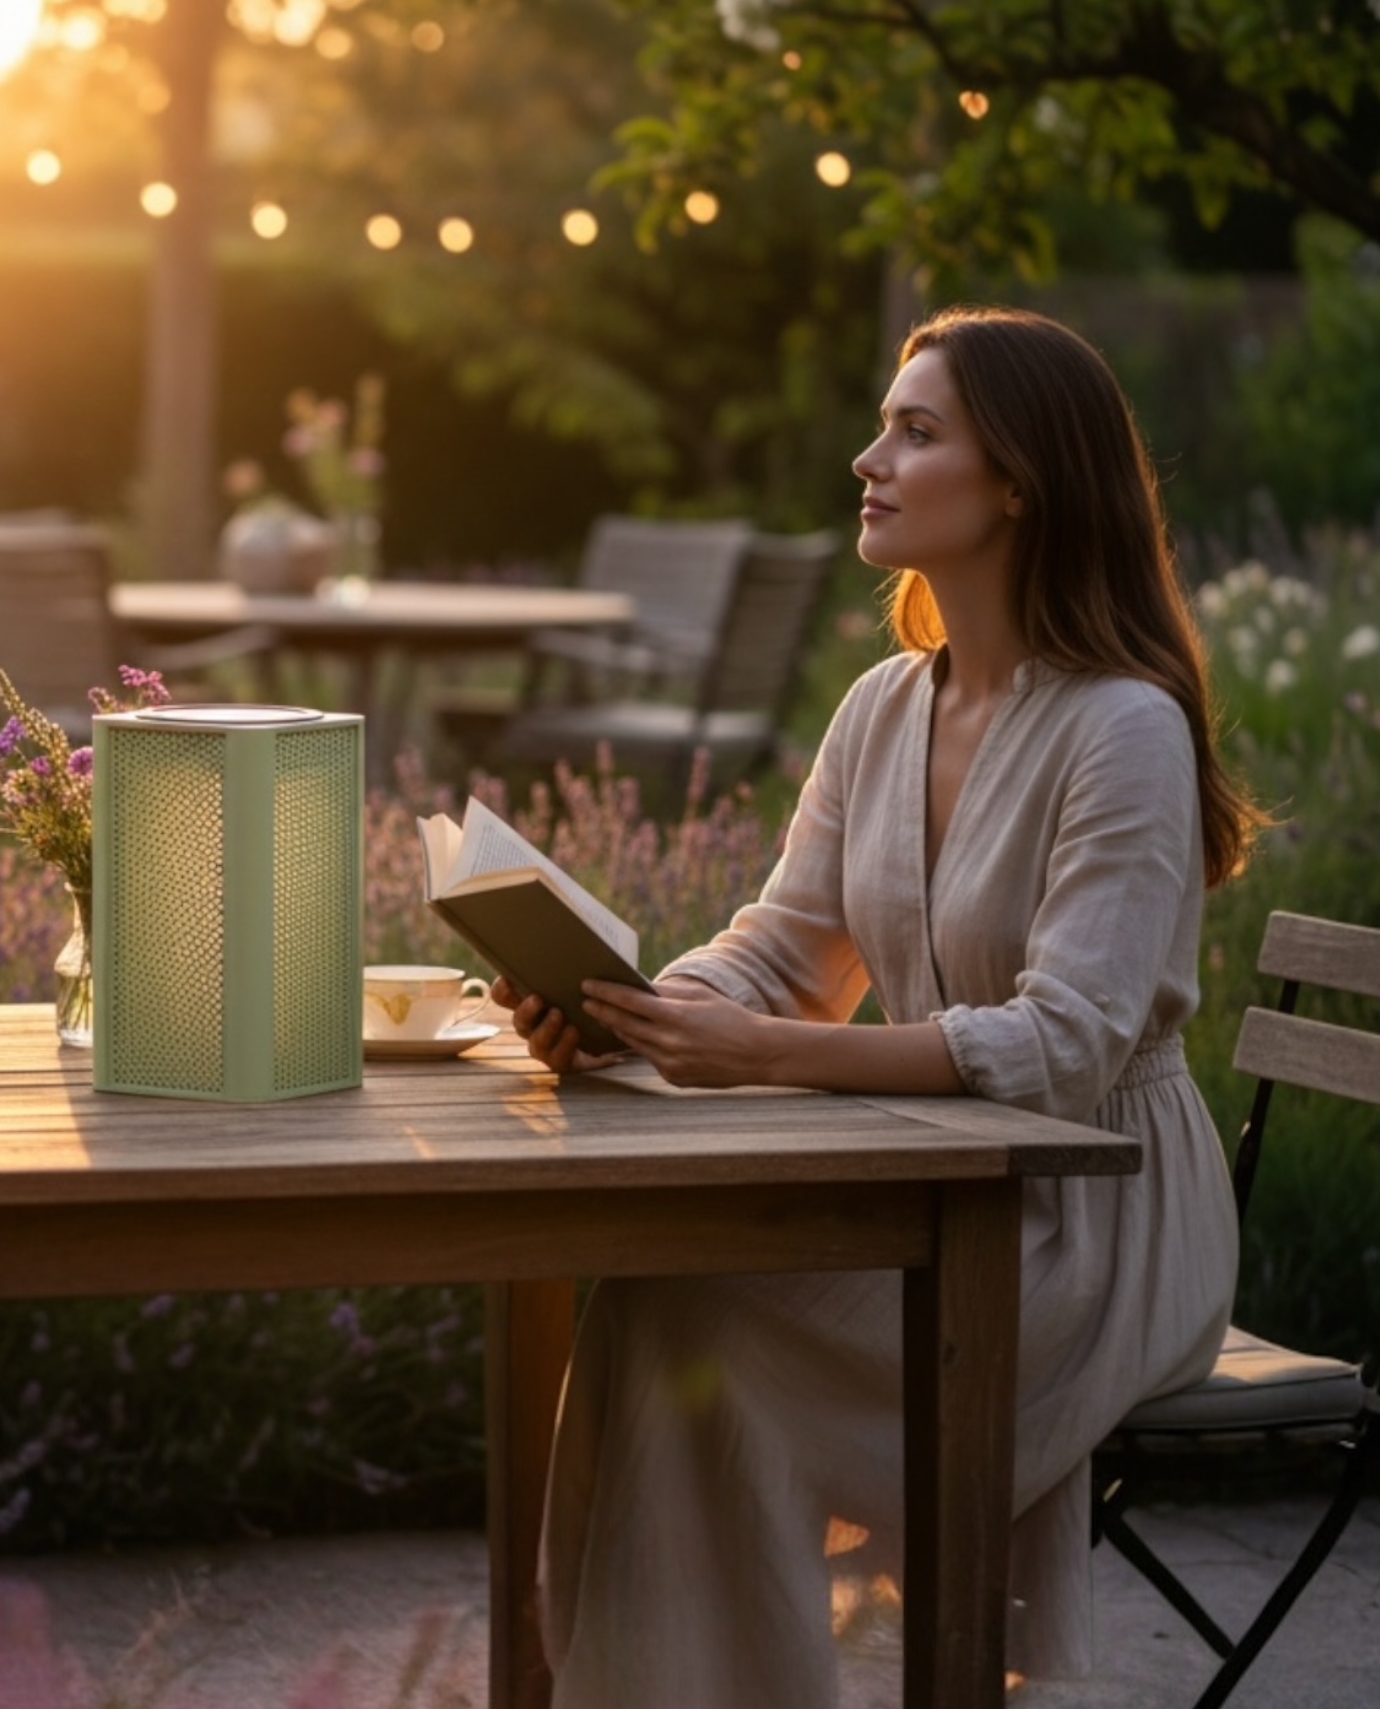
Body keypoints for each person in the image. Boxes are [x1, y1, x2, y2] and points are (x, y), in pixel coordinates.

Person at [498, 306, 1258, 1707]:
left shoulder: (1124, 730)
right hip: (939, 1181)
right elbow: (786, 952)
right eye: (884, 426)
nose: (869, 458)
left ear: (1020, 480)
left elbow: (1068, 1053)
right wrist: (639, 1011)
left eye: (916, 433)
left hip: (1099, 1218)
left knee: (702, 1332)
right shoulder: (880, 709)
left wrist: (762, 1054)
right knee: (653, 1302)